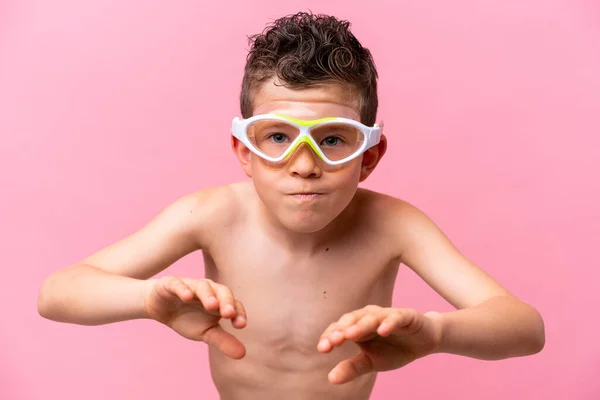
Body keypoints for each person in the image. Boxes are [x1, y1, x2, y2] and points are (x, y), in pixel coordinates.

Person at [37, 11, 545, 400]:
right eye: (276, 137)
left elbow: (523, 328)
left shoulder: (394, 225)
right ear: (244, 152)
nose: (304, 165)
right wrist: (148, 302)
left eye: (334, 138)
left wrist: (437, 332)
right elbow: (59, 293)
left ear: (369, 157)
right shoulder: (211, 216)